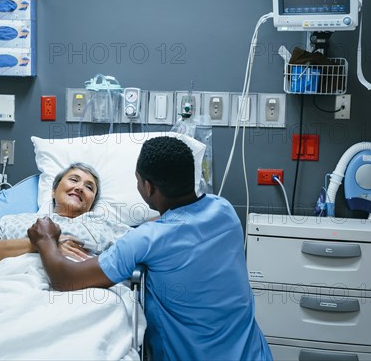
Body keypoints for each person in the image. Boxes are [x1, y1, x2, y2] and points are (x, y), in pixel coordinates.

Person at [27, 136, 272, 360]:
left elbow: (64, 278)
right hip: (254, 353)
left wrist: (46, 239)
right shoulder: (224, 210)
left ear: (148, 187)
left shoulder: (146, 240)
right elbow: (178, 224)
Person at [0, 162, 128, 267]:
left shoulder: (102, 225)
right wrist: (44, 244)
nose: (80, 187)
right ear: (53, 190)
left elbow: (144, 239)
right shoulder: (13, 220)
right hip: (12, 286)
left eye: (89, 187)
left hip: (80, 290)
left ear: (92, 203)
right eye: (73, 180)